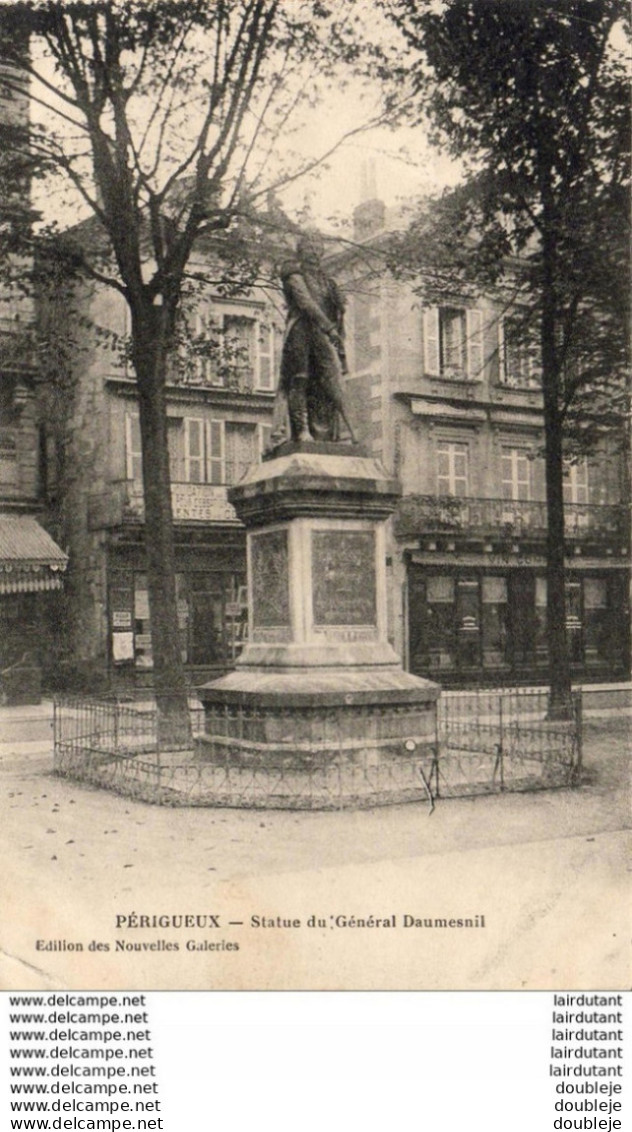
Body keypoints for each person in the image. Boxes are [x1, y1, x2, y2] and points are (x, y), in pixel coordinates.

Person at [273, 230, 356, 444]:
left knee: (334, 381)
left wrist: (337, 319)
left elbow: (337, 312)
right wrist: (329, 328)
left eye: (318, 248)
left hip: (322, 334)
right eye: (309, 247)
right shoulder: (292, 271)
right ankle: (301, 431)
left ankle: (347, 433)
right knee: (299, 379)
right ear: (301, 250)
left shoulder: (327, 281)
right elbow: (305, 302)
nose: (314, 252)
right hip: (300, 330)